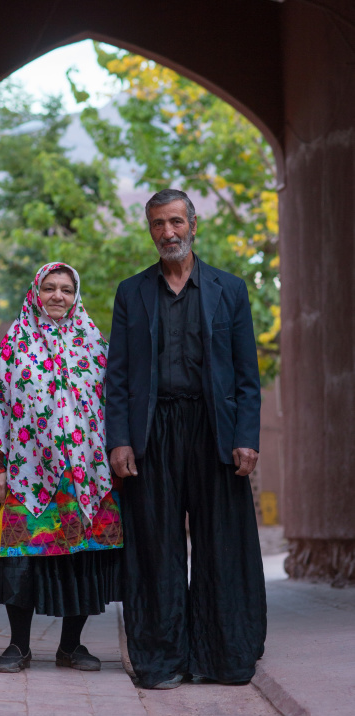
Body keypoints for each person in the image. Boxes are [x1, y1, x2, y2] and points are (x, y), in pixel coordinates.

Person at [106, 189, 266, 690]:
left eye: (176, 222)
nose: (168, 232)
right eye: (158, 224)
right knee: (155, 546)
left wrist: (246, 436)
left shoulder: (229, 289)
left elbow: (246, 375)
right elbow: (118, 377)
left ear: (193, 225)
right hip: (152, 433)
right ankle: (161, 660)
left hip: (213, 430)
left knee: (222, 544)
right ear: (149, 229)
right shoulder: (131, 293)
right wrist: (120, 440)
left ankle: (222, 657)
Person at [0, 262, 122, 673]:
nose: (58, 296)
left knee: (83, 558)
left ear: (77, 296)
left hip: (86, 478)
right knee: (20, 558)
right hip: (28, 474)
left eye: (67, 289)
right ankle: (18, 647)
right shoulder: (13, 346)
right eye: (50, 288)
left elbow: (116, 405)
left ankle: (71, 648)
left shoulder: (96, 346)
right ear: (36, 293)